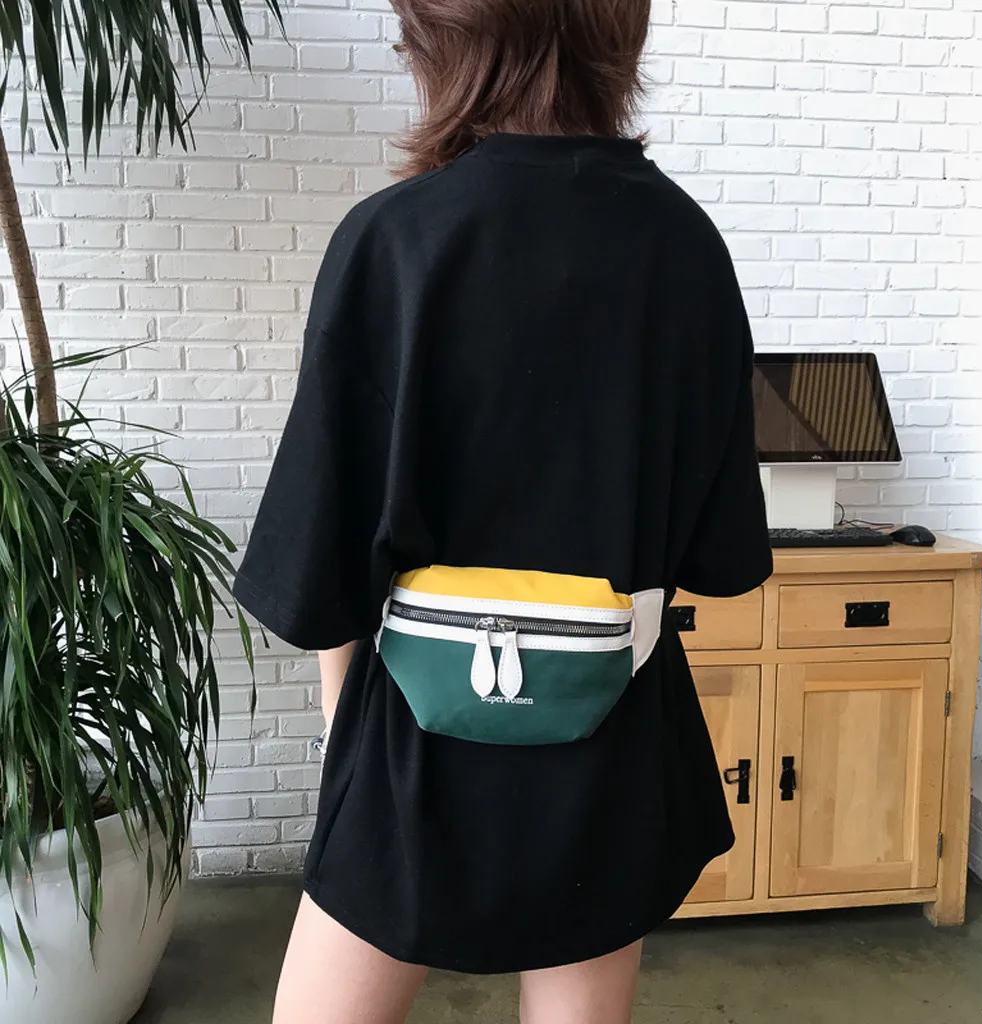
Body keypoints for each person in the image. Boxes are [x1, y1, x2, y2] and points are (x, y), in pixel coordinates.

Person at [232, 1, 773, 1021]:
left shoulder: (392, 239)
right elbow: (721, 555)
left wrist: (344, 747)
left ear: (440, 41)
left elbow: (319, 566)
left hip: (410, 747)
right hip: (612, 736)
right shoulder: (685, 246)